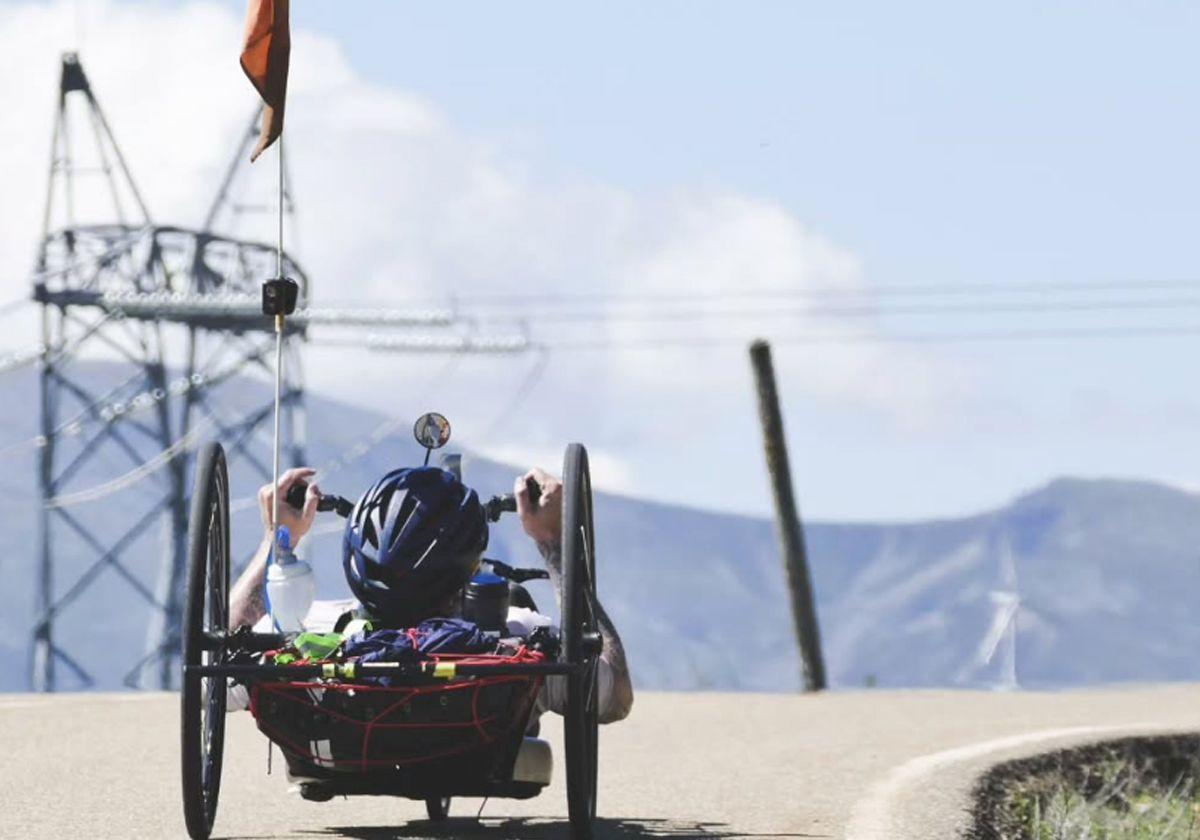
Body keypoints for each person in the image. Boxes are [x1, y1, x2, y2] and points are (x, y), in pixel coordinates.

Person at [228, 464, 633, 724]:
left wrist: (276, 539)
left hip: (332, 732)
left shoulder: (310, 632)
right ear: (469, 566)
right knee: (514, 594)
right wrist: (553, 544)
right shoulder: (517, 640)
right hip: (479, 747)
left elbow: (213, 669)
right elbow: (613, 697)